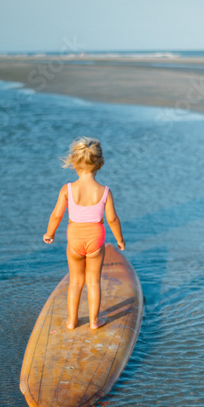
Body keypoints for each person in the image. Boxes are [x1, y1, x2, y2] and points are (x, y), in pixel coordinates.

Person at [43, 137, 125, 330]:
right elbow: (112, 219)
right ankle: (95, 322)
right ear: (101, 164)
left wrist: (50, 233)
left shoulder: (68, 189)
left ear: (73, 163)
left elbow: (57, 215)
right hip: (96, 238)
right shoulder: (105, 191)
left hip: (74, 239)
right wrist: (120, 240)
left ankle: (72, 321)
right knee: (93, 282)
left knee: (75, 281)